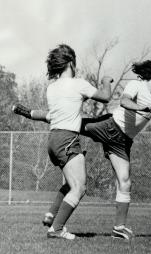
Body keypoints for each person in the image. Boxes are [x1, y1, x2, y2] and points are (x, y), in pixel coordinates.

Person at [13, 56, 151, 240]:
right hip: (108, 127)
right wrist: (141, 108)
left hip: (123, 142)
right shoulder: (136, 85)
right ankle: (29, 113)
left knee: (125, 182)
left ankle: (118, 228)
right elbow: (124, 101)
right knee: (69, 121)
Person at [20, 44, 113, 240]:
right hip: (67, 139)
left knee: (71, 184)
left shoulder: (52, 88)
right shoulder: (78, 84)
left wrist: (28, 113)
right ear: (71, 63)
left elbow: (50, 116)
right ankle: (56, 228)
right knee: (79, 187)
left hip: (53, 139)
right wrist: (105, 81)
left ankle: (51, 215)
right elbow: (105, 96)